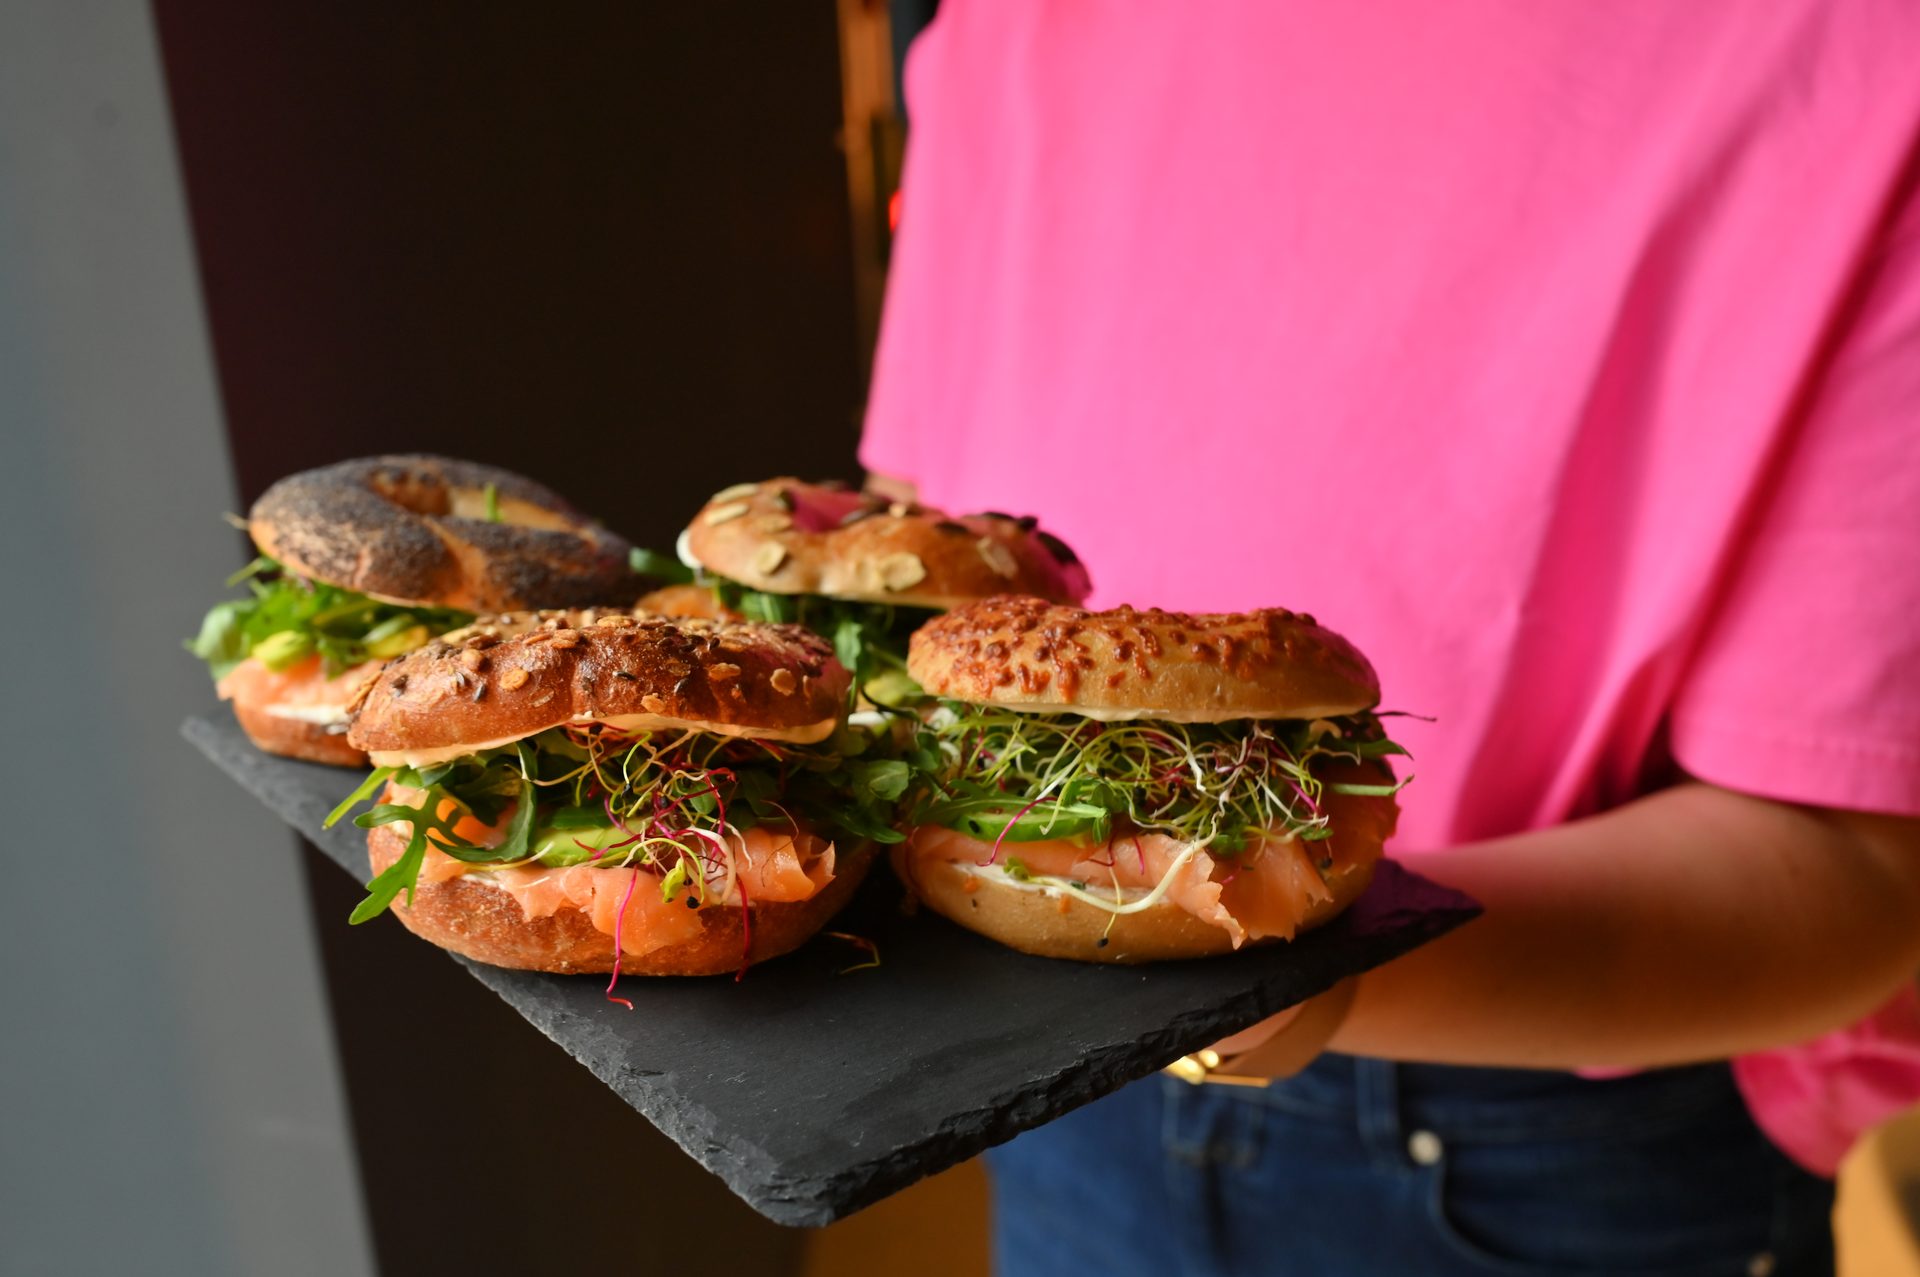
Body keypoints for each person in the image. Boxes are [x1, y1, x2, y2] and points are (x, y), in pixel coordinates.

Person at [859, 4, 1920, 1274]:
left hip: (1536, 1139)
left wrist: (1320, 975)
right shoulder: (1013, 25)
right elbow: (917, 556)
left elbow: (1850, 864)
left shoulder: (1859, 51)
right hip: (1038, 1079)